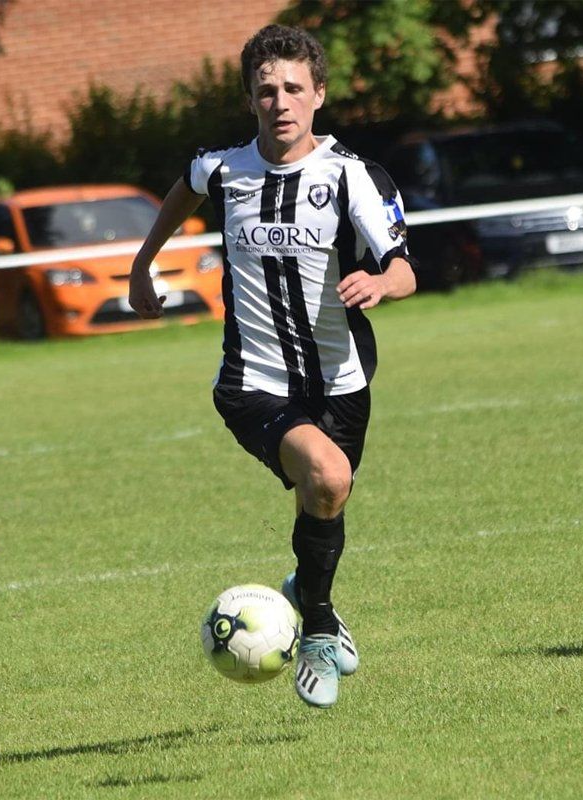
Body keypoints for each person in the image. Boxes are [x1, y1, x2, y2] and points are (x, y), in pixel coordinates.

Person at [130, 24, 417, 708]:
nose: (280, 102)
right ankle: (316, 630)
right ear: (249, 99)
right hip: (252, 383)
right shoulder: (223, 169)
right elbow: (184, 188)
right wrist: (144, 262)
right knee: (328, 476)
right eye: (266, 90)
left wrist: (381, 283)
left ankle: (306, 593)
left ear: (319, 94)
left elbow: (405, 267)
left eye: (293, 88)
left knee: (324, 498)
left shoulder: (351, 175)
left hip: (342, 382)